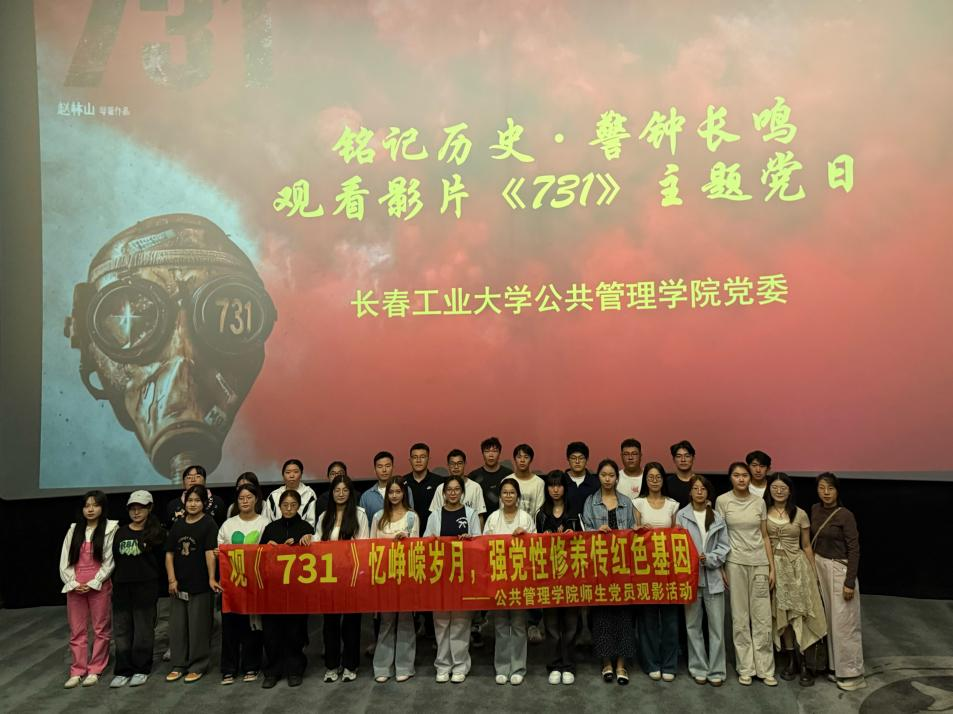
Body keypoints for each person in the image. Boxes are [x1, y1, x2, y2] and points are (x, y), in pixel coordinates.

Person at [716, 462, 777, 687]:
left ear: (750, 478)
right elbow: (719, 535)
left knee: (762, 618)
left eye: (745, 475)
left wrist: (771, 567)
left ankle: (765, 668)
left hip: (759, 562)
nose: (741, 479)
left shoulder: (759, 502)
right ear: (730, 478)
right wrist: (721, 566)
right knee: (740, 618)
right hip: (734, 563)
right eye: (736, 475)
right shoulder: (723, 501)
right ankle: (746, 668)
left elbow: (765, 536)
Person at [765, 473, 826, 686]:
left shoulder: (800, 514)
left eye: (783, 487)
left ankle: (805, 663)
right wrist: (770, 569)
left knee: (800, 615)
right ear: (769, 490)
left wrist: (814, 574)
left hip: (798, 569)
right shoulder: (764, 512)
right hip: (776, 569)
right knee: (783, 615)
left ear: (790, 490)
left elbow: (806, 545)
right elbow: (764, 540)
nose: (779, 491)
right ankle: (791, 660)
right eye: (775, 487)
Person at [582, 459, 637, 685]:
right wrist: (596, 532)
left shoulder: (626, 502)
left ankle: (621, 664)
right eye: (603, 474)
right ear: (599, 477)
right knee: (601, 614)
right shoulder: (590, 501)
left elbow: (632, 532)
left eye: (611, 475)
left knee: (624, 614)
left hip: (623, 567)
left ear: (617, 478)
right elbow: (585, 533)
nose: (607, 479)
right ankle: (606, 662)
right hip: (600, 567)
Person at [423, 475, 482, 683]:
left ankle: (460, 665)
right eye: (449, 489)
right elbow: (425, 543)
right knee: (441, 622)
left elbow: (479, 543)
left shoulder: (470, 514)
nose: (453, 493)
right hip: (440, 575)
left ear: (462, 493)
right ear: (444, 493)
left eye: (457, 489)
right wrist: (433, 541)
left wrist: (470, 540)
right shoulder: (435, 516)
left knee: (461, 622)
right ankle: (442, 665)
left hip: (462, 576)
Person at [811, 473, 865, 692]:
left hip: (839, 569)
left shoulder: (845, 515)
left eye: (830, 488)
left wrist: (849, 581)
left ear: (837, 491)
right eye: (822, 488)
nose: (826, 493)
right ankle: (835, 667)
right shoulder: (815, 509)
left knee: (845, 622)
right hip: (819, 566)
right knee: (828, 620)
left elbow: (854, 549)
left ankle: (852, 672)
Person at [676, 475, 731, 687]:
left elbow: (724, 546)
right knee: (692, 626)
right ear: (690, 492)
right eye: (695, 488)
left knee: (717, 628)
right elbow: (676, 545)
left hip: (713, 577)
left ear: (708, 492)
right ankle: (698, 667)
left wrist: (709, 559)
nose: (699, 492)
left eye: (703, 489)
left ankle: (716, 670)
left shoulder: (717, 517)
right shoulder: (681, 515)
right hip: (690, 579)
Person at [60, 490, 119, 688]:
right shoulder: (74, 530)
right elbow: (65, 560)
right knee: (77, 629)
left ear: (102, 507)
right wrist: (74, 583)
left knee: (101, 628)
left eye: (95, 505)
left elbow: (109, 561)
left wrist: (95, 581)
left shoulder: (110, 529)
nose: (90, 509)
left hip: (99, 584)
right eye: (87, 506)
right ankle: (77, 670)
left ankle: (95, 668)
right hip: (75, 586)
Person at [165, 484, 221, 683]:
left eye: (197, 500)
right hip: (179, 584)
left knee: (199, 627)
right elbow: (169, 554)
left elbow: (209, 553)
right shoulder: (178, 524)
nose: (193, 504)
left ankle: (198, 665)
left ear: (204, 503)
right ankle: (178, 664)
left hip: (200, 584)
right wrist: (172, 579)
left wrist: (211, 578)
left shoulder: (209, 523)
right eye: (190, 500)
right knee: (177, 627)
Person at [110, 490, 166, 688]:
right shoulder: (121, 532)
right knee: (122, 629)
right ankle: (123, 669)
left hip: (145, 587)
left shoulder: (156, 533)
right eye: (132, 508)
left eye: (140, 508)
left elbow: (161, 561)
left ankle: (142, 668)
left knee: (143, 629)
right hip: (122, 587)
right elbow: (115, 559)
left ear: (149, 508)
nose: (136, 512)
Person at [317, 474, 370, 682]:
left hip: (351, 578)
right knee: (330, 624)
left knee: (351, 624)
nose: (340, 494)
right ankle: (331, 666)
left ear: (350, 493)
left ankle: (350, 665)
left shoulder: (359, 514)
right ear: (332, 493)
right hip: (329, 579)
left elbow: (364, 545)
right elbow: (317, 543)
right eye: (337, 490)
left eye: (345, 490)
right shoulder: (324, 516)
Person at [483, 478, 536, 685]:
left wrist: (525, 537)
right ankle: (502, 667)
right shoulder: (493, 518)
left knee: (519, 624)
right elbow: (483, 547)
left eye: (512, 493)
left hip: (519, 579)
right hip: (498, 578)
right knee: (500, 625)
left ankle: (518, 667)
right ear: (500, 496)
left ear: (518, 496)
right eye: (504, 492)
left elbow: (536, 547)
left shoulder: (525, 518)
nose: (508, 496)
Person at [261, 489, 315, 688]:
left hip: (297, 590)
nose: (289, 508)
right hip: (273, 589)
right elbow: (259, 558)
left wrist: (303, 545)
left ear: (299, 506)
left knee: (295, 632)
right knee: (271, 632)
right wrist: (268, 548)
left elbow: (316, 558)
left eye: (293, 505)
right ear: (279, 506)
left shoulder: (306, 528)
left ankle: (295, 669)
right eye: (285, 505)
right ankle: (273, 671)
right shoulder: (270, 528)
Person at [217, 483, 269, 684]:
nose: (245, 501)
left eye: (249, 497)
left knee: (252, 627)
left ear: (256, 499)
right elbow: (220, 550)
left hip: (255, 584)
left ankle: (251, 666)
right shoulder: (228, 525)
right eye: (241, 498)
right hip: (232, 584)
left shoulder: (264, 523)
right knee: (230, 627)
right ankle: (228, 669)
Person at [371, 477, 420, 683]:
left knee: (406, 620)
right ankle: (382, 666)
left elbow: (417, 546)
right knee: (386, 621)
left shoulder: (412, 517)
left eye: (398, 492)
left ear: (403, 494)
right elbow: (370, 547)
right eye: (391, 492)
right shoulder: (378, 517)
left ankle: (404, 666)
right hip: (384, 575)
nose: (394, 495)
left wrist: (405, 541)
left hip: (406, 574)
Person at [633, 462, 680, 682]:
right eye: (650, 477)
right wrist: (639, 530)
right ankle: (651, 662)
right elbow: (633, 533)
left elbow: (677, 535)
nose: (654, 480)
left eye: (658, 477)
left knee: (670, 620)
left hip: (669, 568)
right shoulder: (638, 503)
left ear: (663, 479)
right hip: (645, 569)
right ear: (645, 480)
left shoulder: (673, 505)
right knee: (648, 619)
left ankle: (669, 664)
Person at [536, 471, 582, 685]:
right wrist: (542, 539)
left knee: (571, 625)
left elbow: (587, 543)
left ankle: (569, 665)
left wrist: (575, 537)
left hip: (572, 576)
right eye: (551, 485)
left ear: (565, 488)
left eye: (559, 485)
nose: (555, 489)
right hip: (548, 576)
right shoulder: (541, 515)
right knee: (552, 626)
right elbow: (532, 546)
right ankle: (554, 665)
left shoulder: (575, 513)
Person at [429, 449, 486, 523]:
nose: (456, 467)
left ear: (465, 464)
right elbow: (434, 516)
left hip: (469, 530)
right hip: (445, 529)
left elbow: (480, 516)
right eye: (452, 463)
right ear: (448, 465)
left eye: (459, 463)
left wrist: (479, 531)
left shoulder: (475, 487)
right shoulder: (441, 488)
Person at [361, 451, 414, 525]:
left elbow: (411, 517)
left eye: (388, 466)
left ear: (393, 467)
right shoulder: (366, 496)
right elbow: (364, 524)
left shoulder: (405, 490)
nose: (384, 470)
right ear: (375, 469)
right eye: (380, 467)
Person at [264, 459, 318, 528]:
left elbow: (311, 521)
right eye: (288, 472)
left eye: (296, 472)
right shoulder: (274, 495)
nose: (292, 475)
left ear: (301, 474)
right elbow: (267, 520)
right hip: (277, 533)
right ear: (283, 475)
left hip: (302, 532)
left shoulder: (309, 494)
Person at [468, 436, 513, 517]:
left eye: (495, 451)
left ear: (499, 453)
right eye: (487, 451)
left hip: (504, 519)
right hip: (480, 519)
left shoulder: (509, 475)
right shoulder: (473, 476)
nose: (491, 455)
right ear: (482, 454)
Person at [404, 443, 444, 521]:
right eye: (415, 457)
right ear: (410, 460)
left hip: (433, 527)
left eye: (422, 457)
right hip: (408, 527)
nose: (418, 461)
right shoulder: (403, 482)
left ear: (428, 459)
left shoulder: (439, 482)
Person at [565, 441, 599, 515]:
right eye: (573, 458)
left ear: (587, 459)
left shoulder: (596, 483)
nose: (577, 461)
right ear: (568, 459)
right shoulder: (561, 481)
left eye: (581, 458)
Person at [667, 440, 696, 508]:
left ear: (693, 458)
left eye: (687, 456)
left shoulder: (702, 483)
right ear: (674, 459)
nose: (683, 460)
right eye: (679, 456)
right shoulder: (667, 483)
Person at [618, 438, 644, 503]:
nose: (630, 457)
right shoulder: (615, 478)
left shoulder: (649, 477)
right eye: (626, 454)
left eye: (634, 454)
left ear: (640, 455)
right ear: (621, 456)